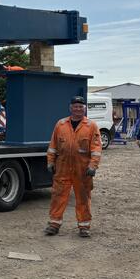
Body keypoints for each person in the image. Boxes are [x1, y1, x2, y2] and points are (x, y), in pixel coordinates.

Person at [44, 95, 102, 238]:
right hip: (62, 168)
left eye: (80, 107)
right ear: (70, 108)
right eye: (75, 106)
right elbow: (53, 145)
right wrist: (50, 161)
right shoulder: (61, 124)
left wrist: (93, 166)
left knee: (83, 198)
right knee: (58, 196)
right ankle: (54, 224)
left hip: (82, 170)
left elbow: (96, 148)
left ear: (84, 109)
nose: (78, 109)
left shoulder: (91, 126)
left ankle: (84, 226)